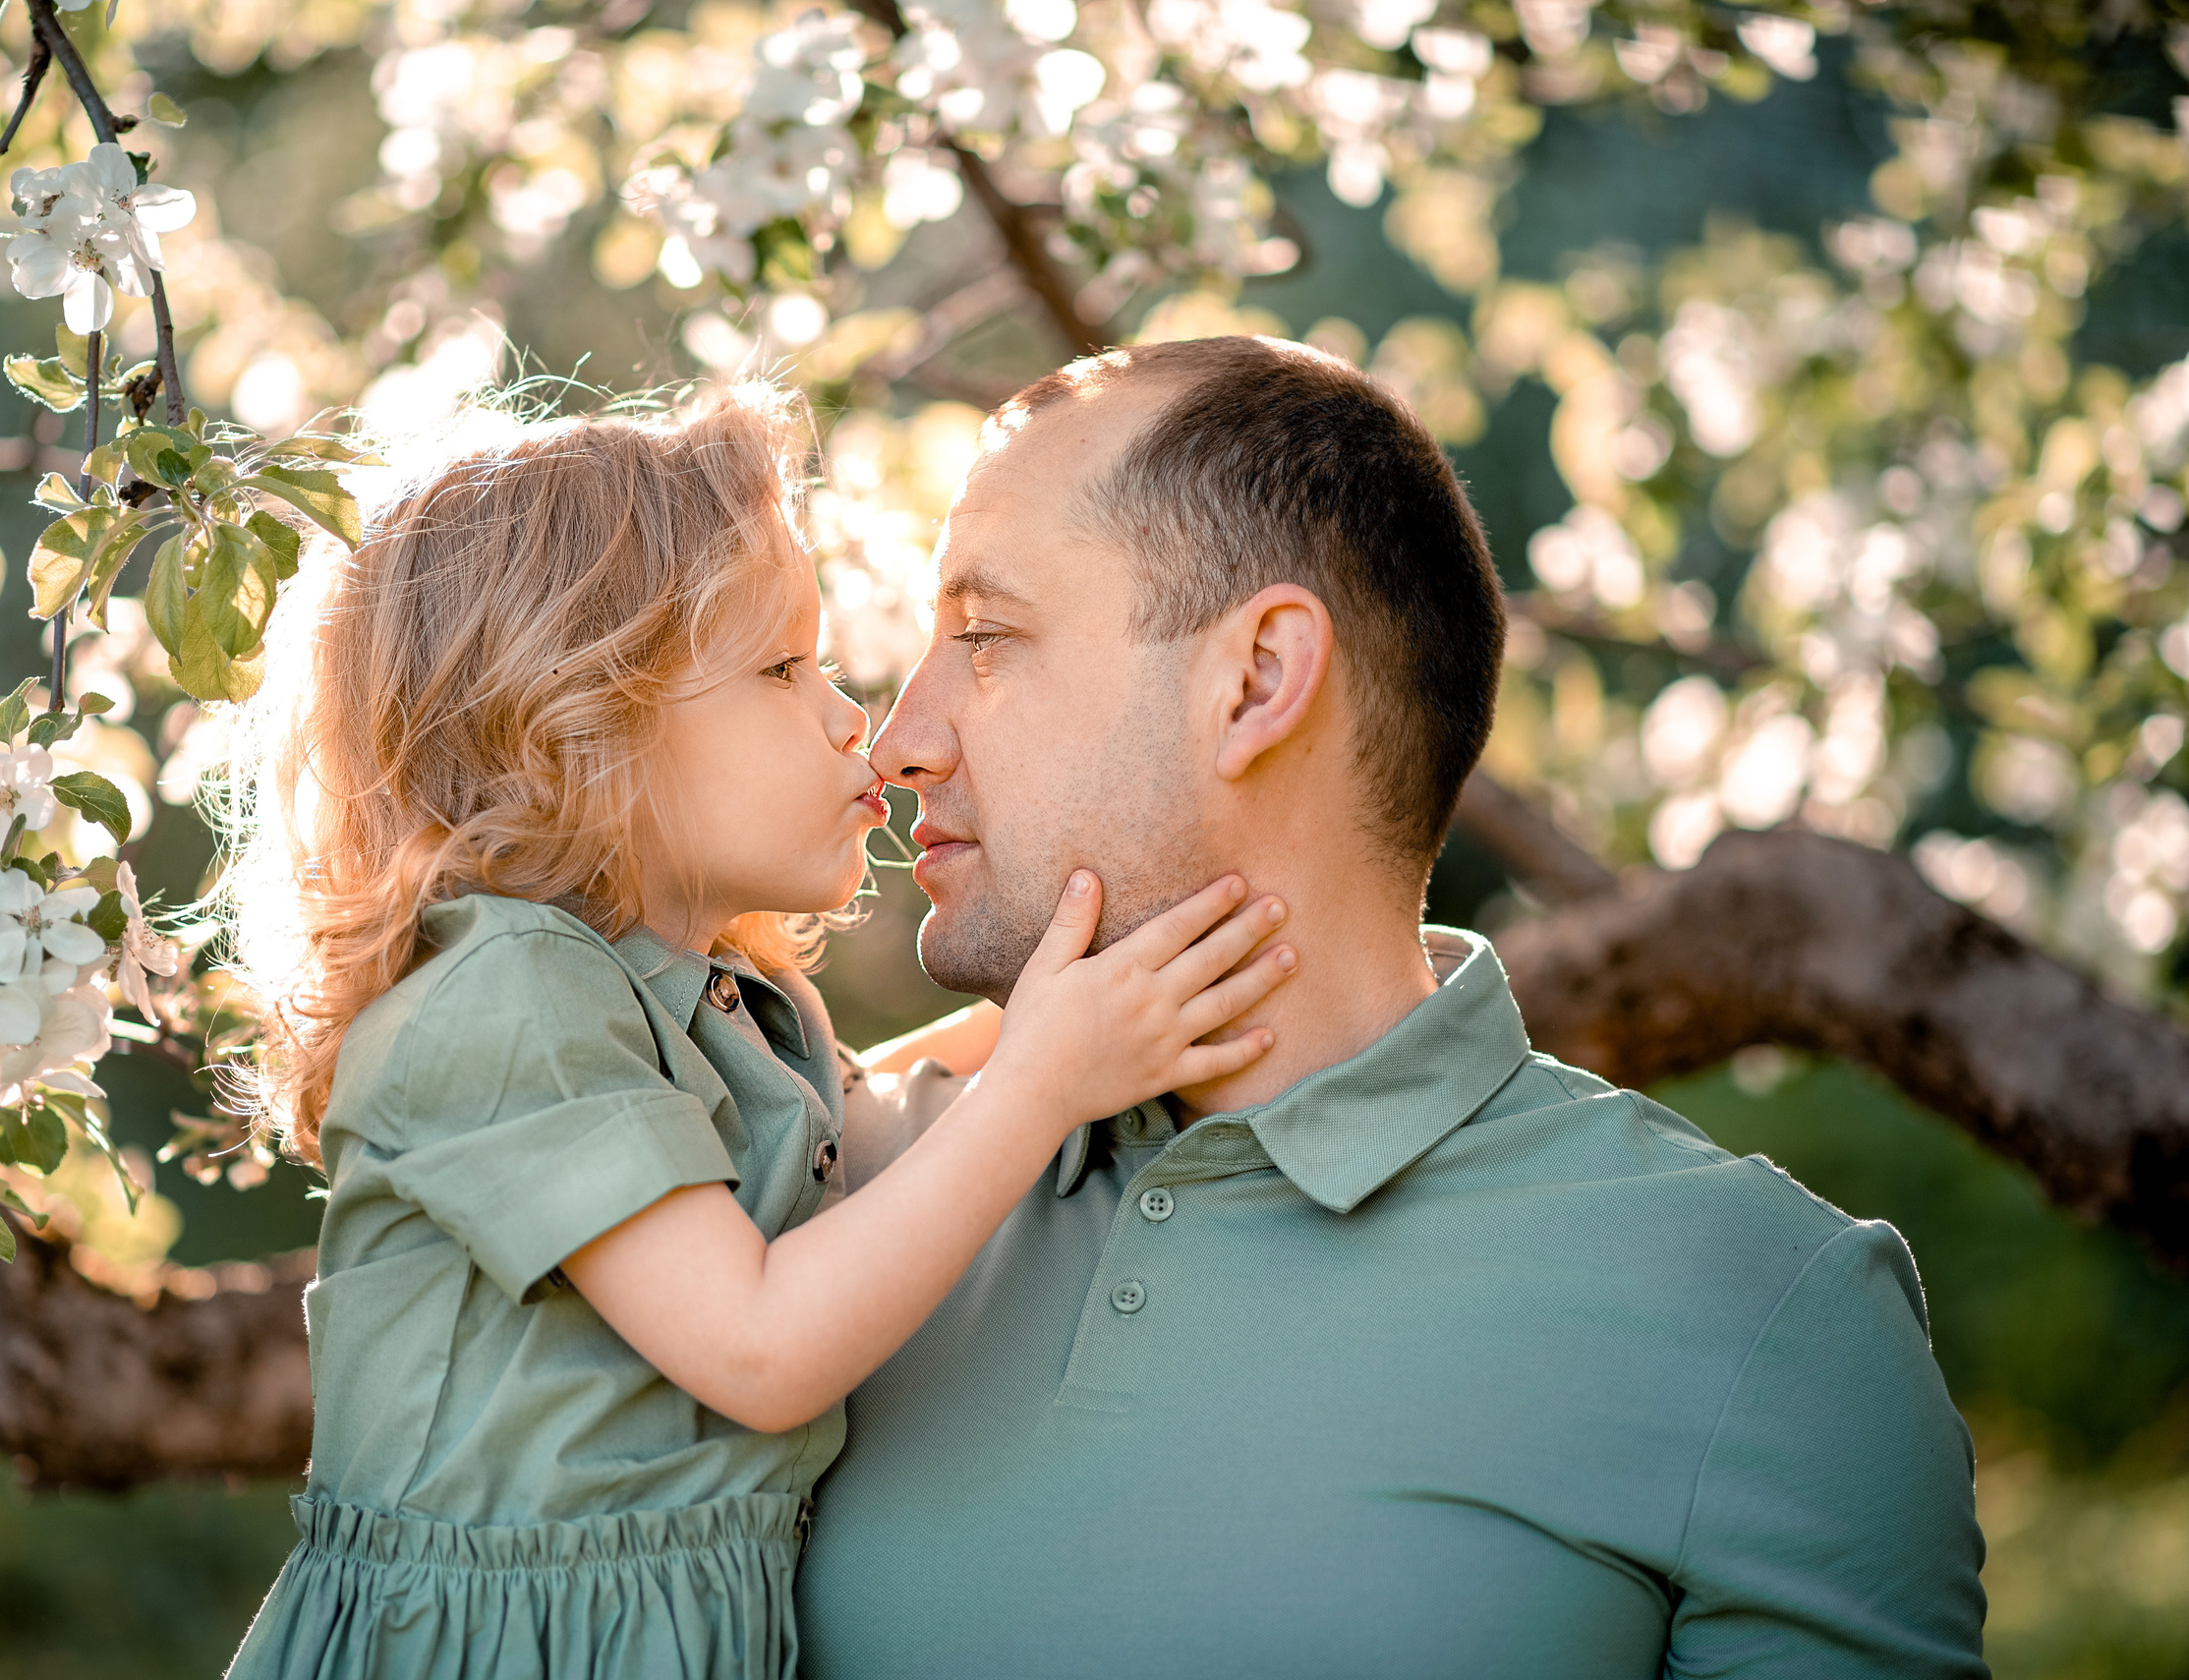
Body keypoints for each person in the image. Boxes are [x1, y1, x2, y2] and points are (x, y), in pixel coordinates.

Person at [797, 336, 1990, 1678]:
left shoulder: (1768, 1314)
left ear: (1254, 681)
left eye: (983, 636)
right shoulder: (806, 1204)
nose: (897, 736)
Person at [212, 387, 1299, 1680]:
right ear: (575, 729)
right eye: (785, 669)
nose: (857, 719)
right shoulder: (500, 998)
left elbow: (852, 1123)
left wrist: (1056, 1012)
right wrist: (1050, 1075)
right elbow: (759, 1344)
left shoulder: (712, 997)